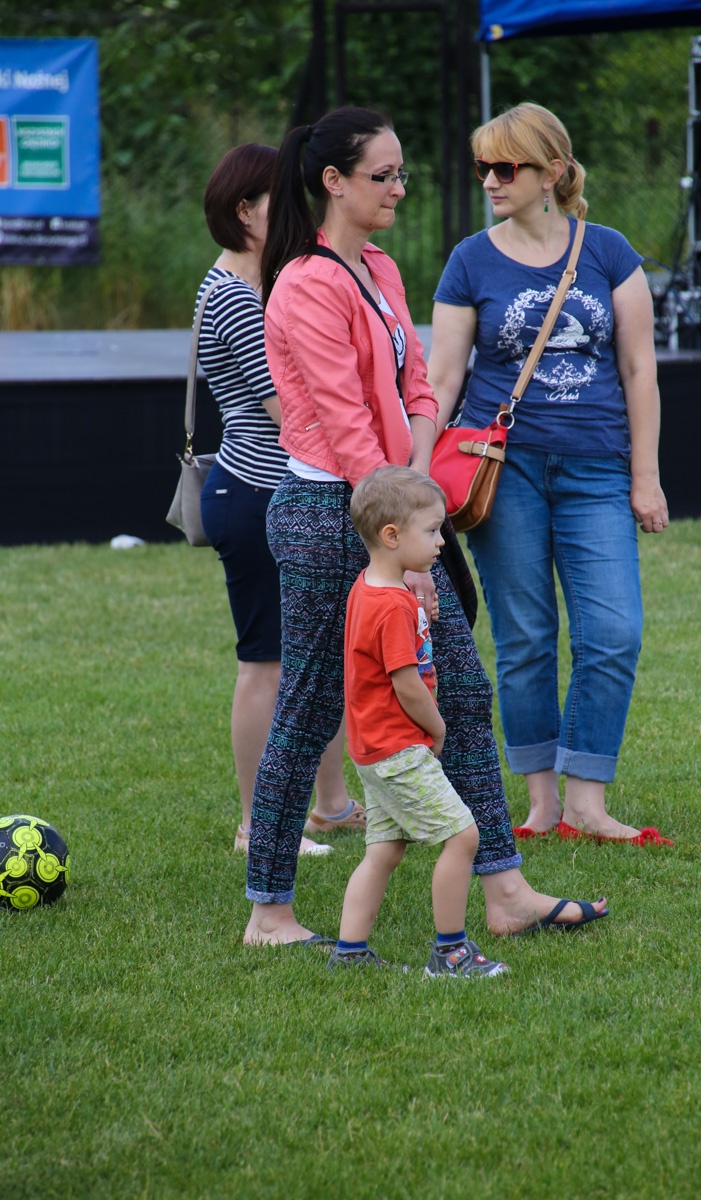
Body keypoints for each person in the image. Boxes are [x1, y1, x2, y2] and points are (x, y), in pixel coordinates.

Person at [242, 105, 607, 946]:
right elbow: (344, 427)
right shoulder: (305, 282)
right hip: (331, 516)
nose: (400, 188)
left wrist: (415, 496)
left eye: (402, 173)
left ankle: (505, 893)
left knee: (465, 694)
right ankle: (269, 910)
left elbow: (417, 390)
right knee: (309, 709)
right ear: (333, 182)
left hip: (391, 512)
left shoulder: (378, 267)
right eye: (384, 175)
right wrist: (405, 530)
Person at [427, 103, 673, 847]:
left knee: (614, 631)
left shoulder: (609, 252)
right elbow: (442, 379)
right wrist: (413, 475)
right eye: (483, 167)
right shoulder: (470, 259)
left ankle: (587, 803)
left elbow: (639, 369)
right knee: (527, 635)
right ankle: (541, 804)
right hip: (503, 471)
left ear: (553, 173)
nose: (490, 181)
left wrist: (645, 476)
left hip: (597, 466)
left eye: (507, 167)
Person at [197, 142, 366, 859]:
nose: (300, 213)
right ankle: (255, 825)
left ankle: (330, 806)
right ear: (245, 212)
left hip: (272, 491)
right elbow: (289, 408)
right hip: (258, 493)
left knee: (311, 660)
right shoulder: (238, 297)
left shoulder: (257, 283)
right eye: (282, 201)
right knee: (266, 664)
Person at [330, 466, 524, 975]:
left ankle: (349, 953)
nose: (441, 542)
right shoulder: (392, 605)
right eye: (433, 531)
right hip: (399, 749)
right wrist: (437, 729)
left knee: (384, 850)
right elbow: (407, 684)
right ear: (392, 536)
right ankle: (451, 953)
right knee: (463, 837)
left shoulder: (367, 588)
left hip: (373, 750)